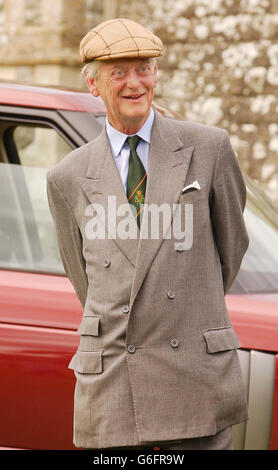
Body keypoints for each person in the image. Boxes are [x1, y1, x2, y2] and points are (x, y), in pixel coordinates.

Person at [47, 18, 249, 450]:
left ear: (157, 74)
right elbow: (82, 278)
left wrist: (180, 301)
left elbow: (230, 253)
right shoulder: (67, 177)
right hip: (114, 385)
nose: (134, 83)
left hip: (195, 377)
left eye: (143, 68)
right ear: (93, 84)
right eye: (118, 72)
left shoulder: (209, 149)